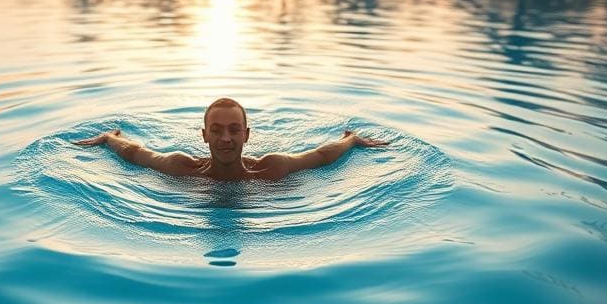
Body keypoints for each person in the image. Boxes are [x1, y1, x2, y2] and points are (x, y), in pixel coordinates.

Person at [74, 97, 388, 181]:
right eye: (217, 130)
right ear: (204, 136)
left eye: (234, 130)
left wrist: (351, 141)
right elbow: (136, 153)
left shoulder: (270, 169)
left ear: (246, 135)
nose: (226, 138)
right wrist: (108, 139)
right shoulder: (180, 167)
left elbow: (320, 156)